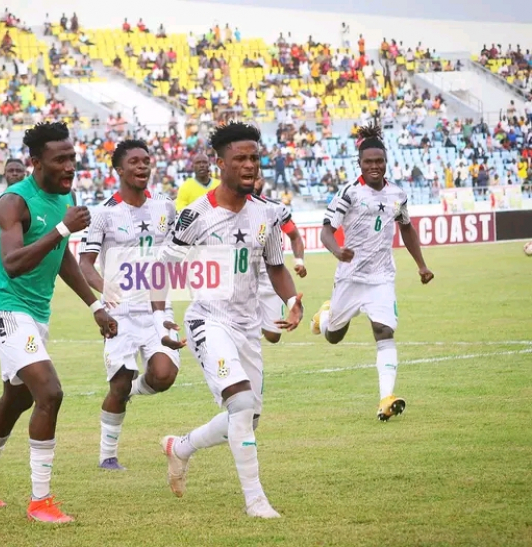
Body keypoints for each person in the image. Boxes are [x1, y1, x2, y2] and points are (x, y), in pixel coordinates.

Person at [0, 122, 117, 523]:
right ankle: (40, 501)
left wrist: (94, 305)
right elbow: (12, 262)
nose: (70, 167)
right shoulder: (13, 201)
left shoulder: (66, 197)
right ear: (36, 161)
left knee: (17, 398)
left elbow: (61, 257)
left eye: (72, 158)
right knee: (49, 392)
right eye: (60, 159)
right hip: (6, 308)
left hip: (36, 313)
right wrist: (62, 228)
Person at [155, 122, 304, 518]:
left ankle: (180, 447)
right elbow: (162, 270)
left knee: (248, 418)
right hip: (207, 321)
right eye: (240, 158)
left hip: (247, 327)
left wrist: (292, 300)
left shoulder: (267, 213)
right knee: (239, 401)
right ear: (220, 163)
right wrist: (161, 321)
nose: (249, 165)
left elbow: (276, 266)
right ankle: (255, 500)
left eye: (254, 157)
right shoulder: (196, 215)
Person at [310, 123, 434, 421]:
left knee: (384, 331)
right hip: (350, 277)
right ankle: (324, 316)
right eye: (369, 162)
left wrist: (421, 265)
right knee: (334, 336)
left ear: (386, 162)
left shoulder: (397, 194)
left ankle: (386, 399)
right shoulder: (350, 193)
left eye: (379, 161)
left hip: (382, 277)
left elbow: (406, 228)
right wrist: (337, 251)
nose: (374, 166)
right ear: (360, 163)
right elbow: (326, 231)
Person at [79, 140, 179, 470]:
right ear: (119, 169)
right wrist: (104, 290)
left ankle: (134, 390)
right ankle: (107, 456)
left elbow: (176, 253)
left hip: (157, 308)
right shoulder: (103, 213)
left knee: (164, 376)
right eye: (134, 161)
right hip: (119, 312)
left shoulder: (165, 206)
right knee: (118, 385)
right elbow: (84, 264)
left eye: (146, 161)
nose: (142, 166)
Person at [252, 175, 307, 344]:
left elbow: (295, 236)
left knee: (273, 336)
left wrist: (299, 261)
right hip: (241, 277)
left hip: (270, 276)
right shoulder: (230, 208)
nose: (255, 182)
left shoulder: (275, 209)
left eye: (257, 178)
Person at [0, 158, 27, 251]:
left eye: (18, 171)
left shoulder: (33, 199)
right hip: (5, 254)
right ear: (4, 174)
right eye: (11, 171)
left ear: (24, 174)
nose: (14, 173)